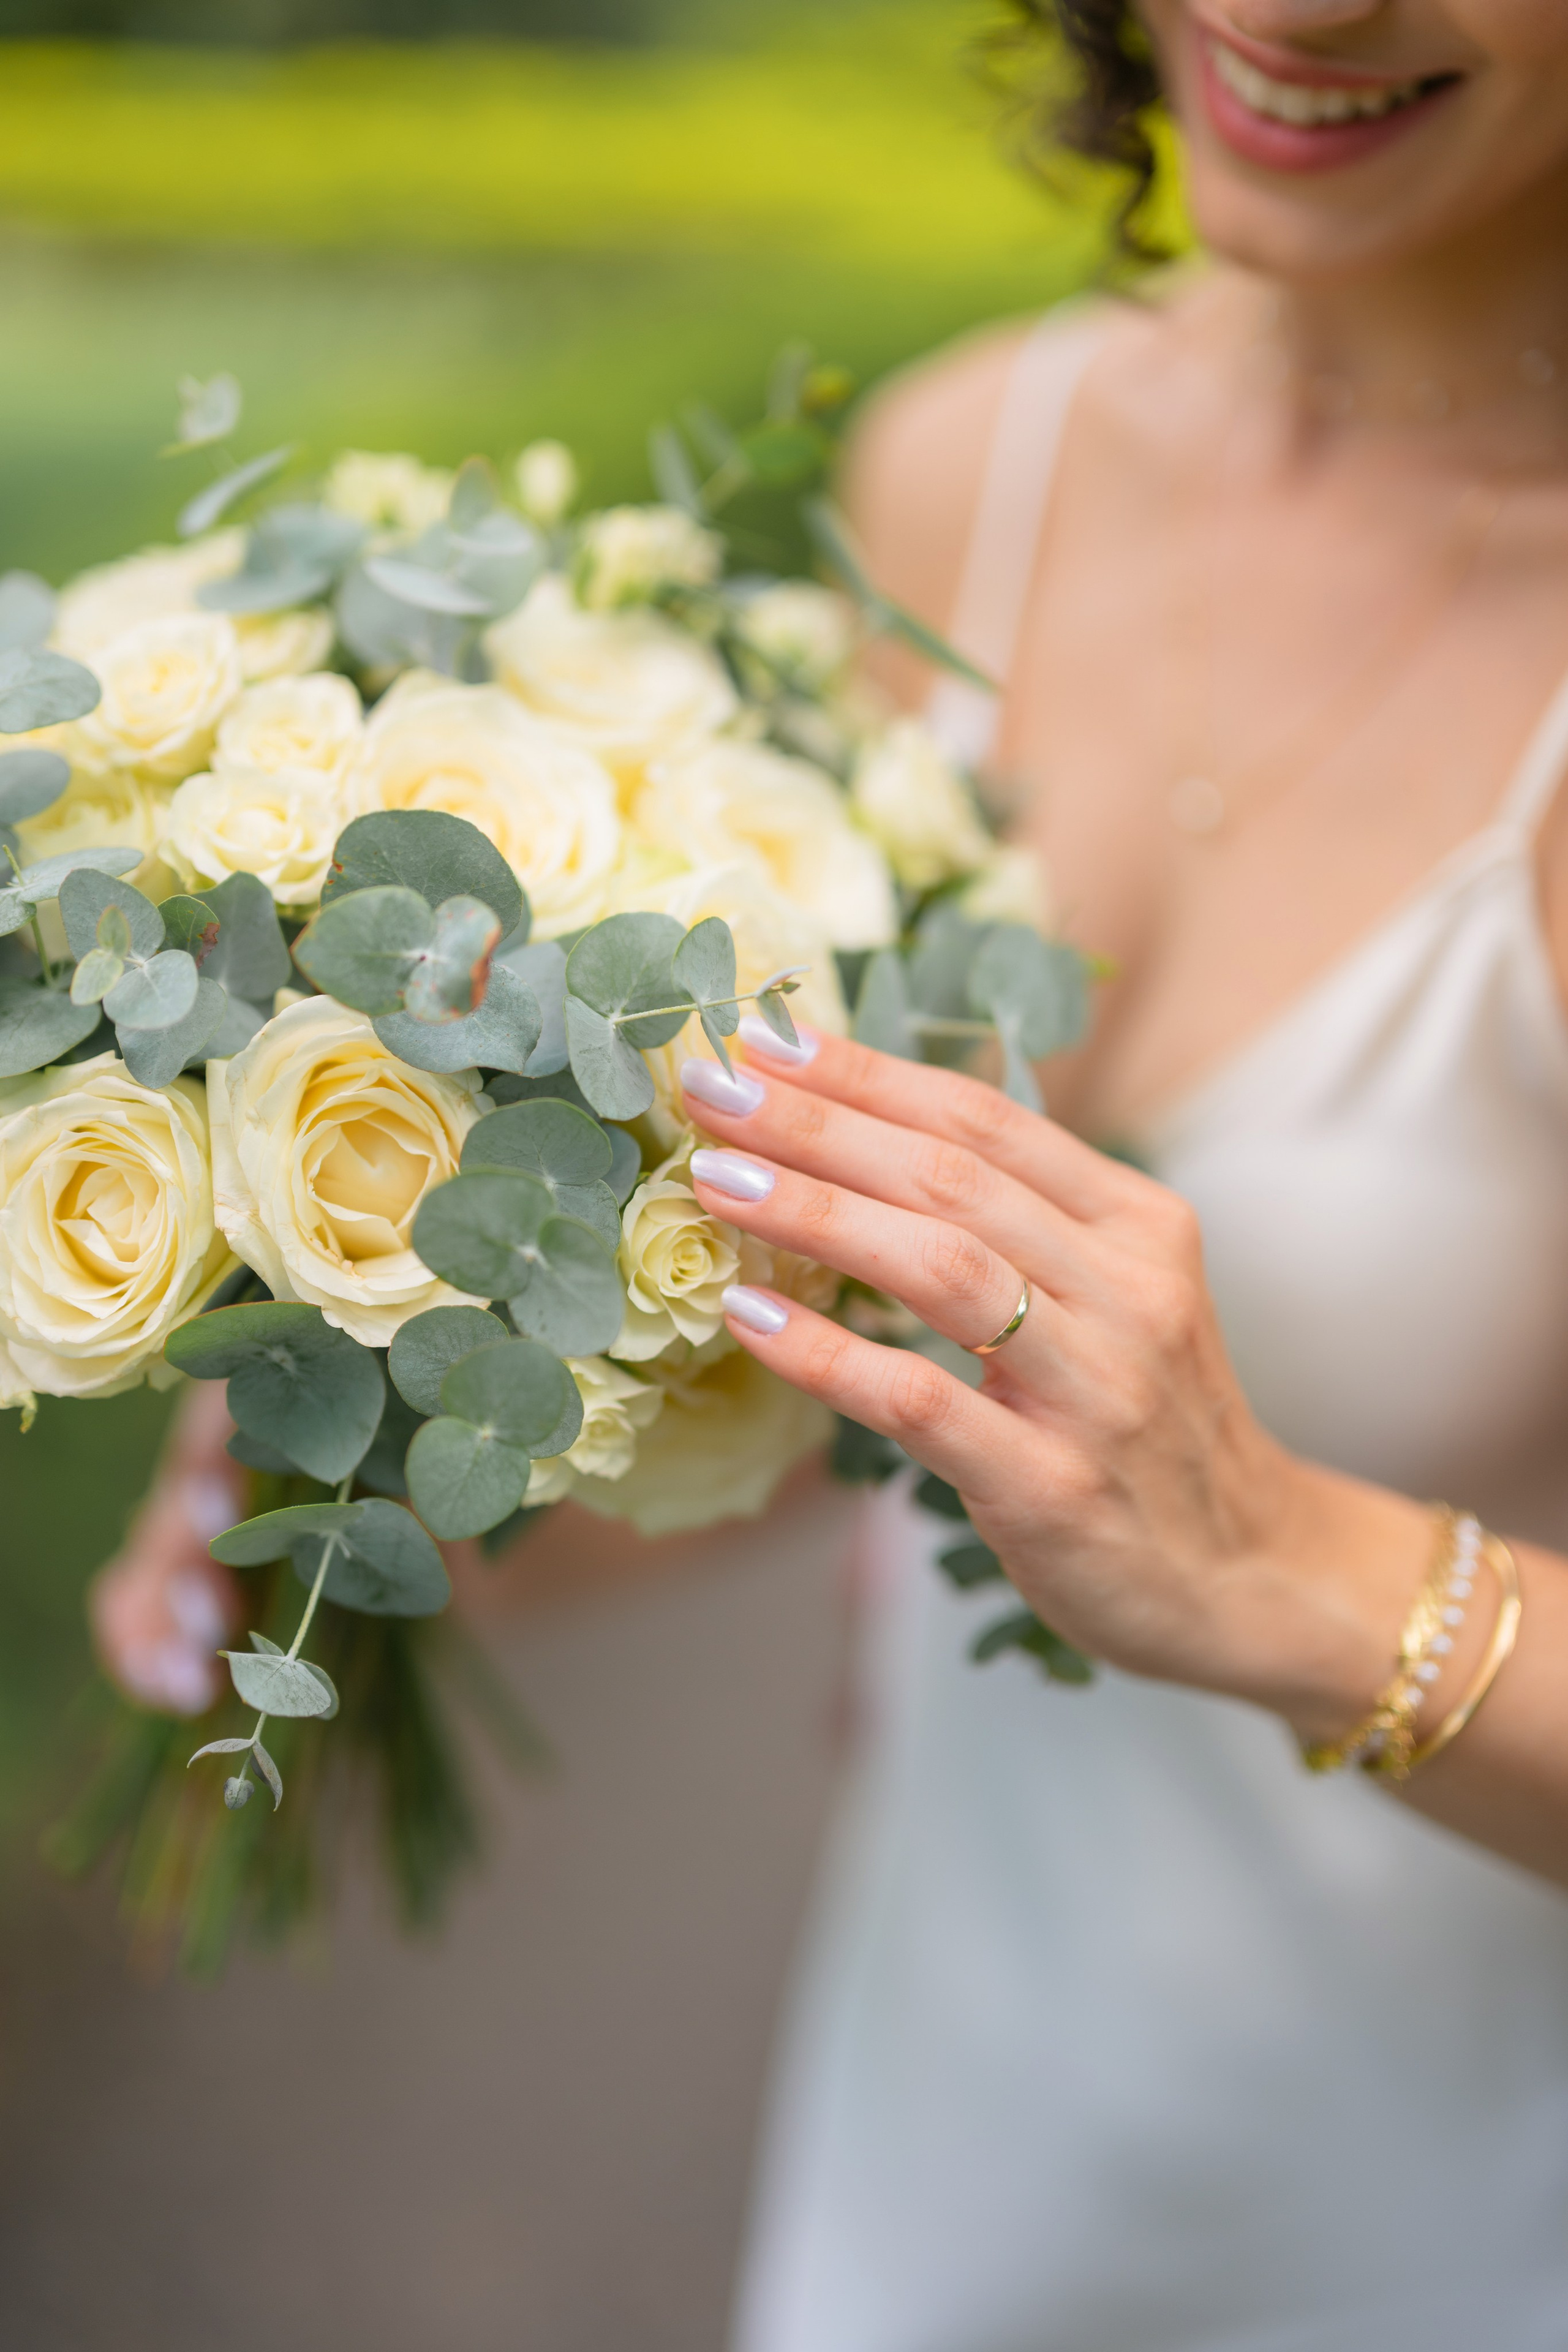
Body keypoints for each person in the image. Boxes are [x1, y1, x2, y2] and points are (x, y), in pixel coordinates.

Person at [96, 1, 1568, 2342]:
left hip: (1458, 2195)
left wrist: (1279, 1560)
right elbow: (888, 1375)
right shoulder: (974, 466)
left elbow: (1182, 1516)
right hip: (957, 2116)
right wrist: (415, 1499)